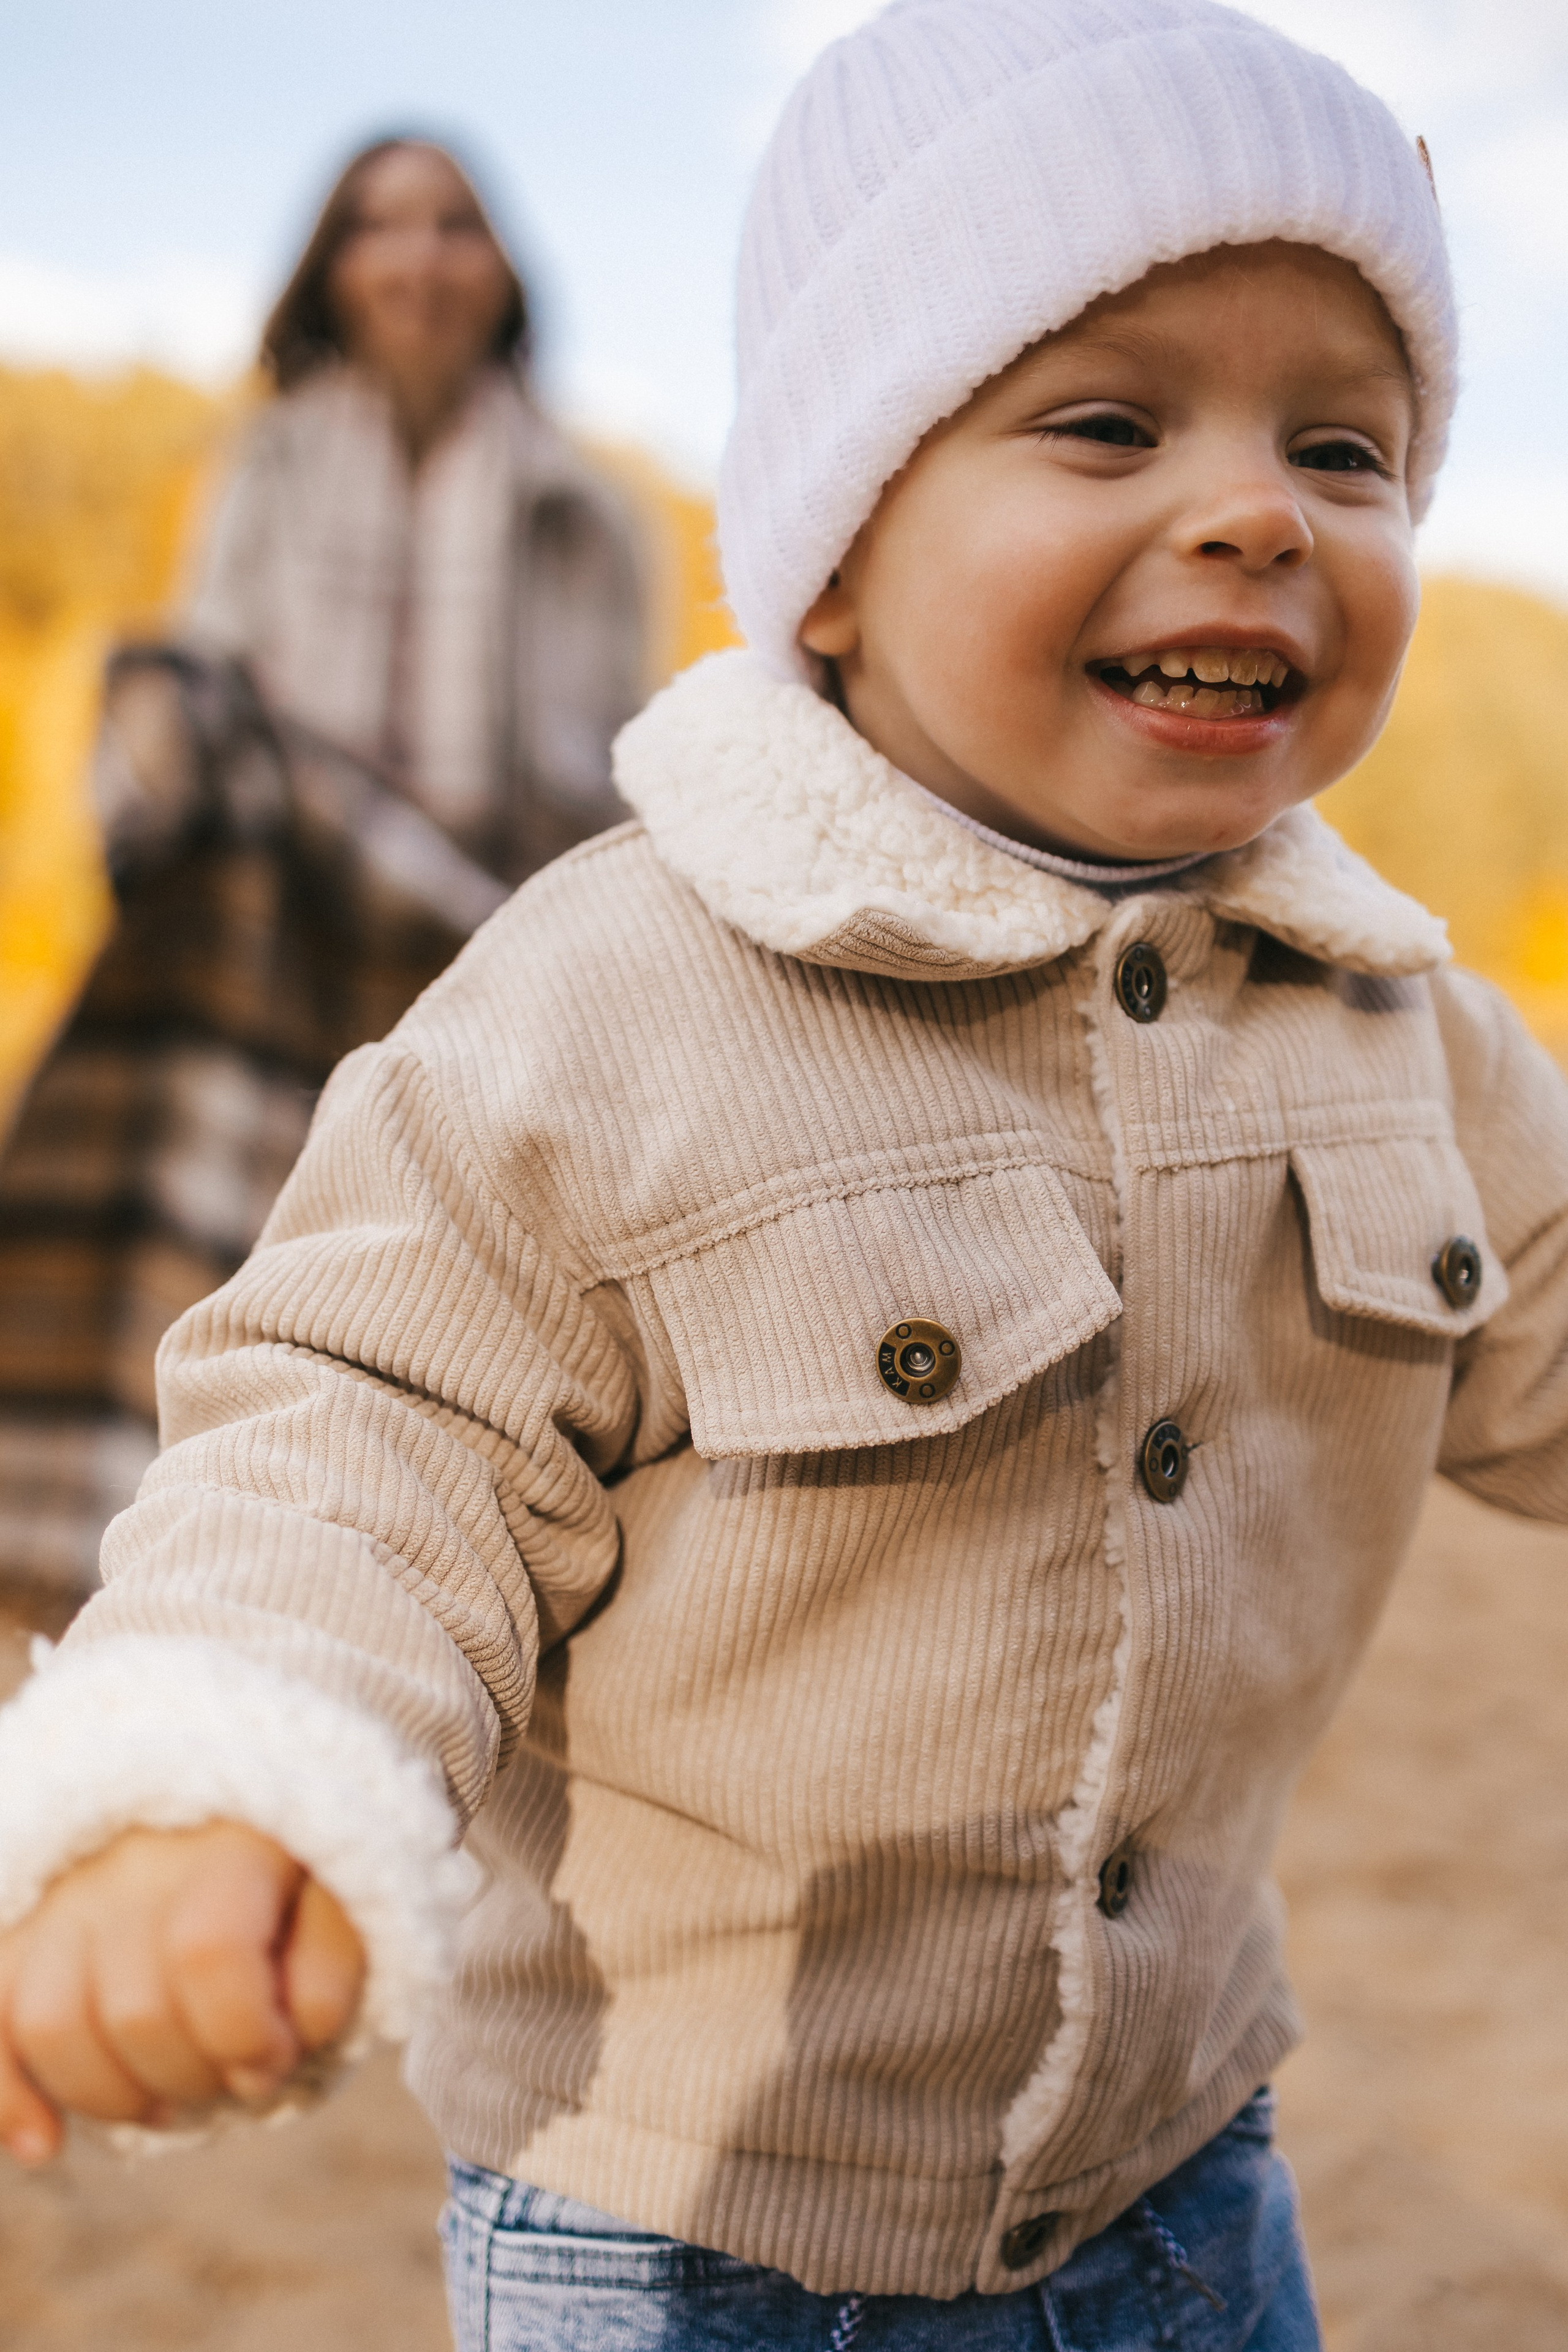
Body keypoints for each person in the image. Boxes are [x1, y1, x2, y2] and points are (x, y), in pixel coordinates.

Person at [0, 4, 1559, 2346]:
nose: (1258, 509)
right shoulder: (614, 1007)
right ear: (832, 551)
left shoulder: (1395, 1013)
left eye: (1345, 446)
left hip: (1184, 2188)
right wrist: (210, 1774)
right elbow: (358, 1434)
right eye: (1111, 423)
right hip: (687, 2234)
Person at [0, 135, 644, 1609]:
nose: (418, 258)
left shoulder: (581, 509)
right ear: (333, 268)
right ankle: (158, 1542)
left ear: (502, 271)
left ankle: (412, 1571)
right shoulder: (269, 465)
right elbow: (207, 698)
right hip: (283, 909)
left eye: (454, 226)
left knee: (428, 1291)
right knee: (229, 1245)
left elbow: (607, 759)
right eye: (379, 227)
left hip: (482, 920)